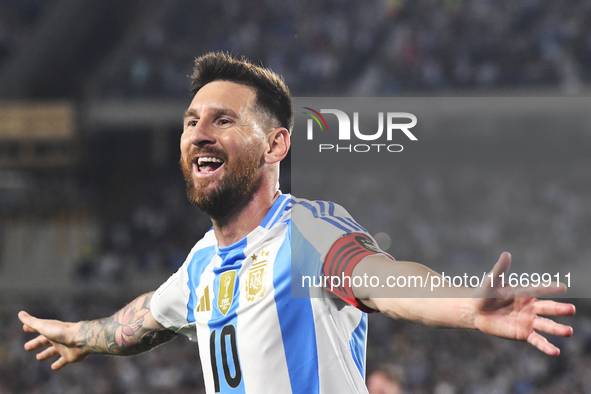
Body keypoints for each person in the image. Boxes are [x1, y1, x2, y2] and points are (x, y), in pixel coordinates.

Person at [18, 52, 576, 393]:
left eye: (223, 119)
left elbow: (381, 278)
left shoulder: (307, 231)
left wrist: (463, 305)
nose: (198, 133)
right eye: (191, 121)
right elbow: (143, 319)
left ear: (276, 143)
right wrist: (82, 336)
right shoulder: (199, 267)